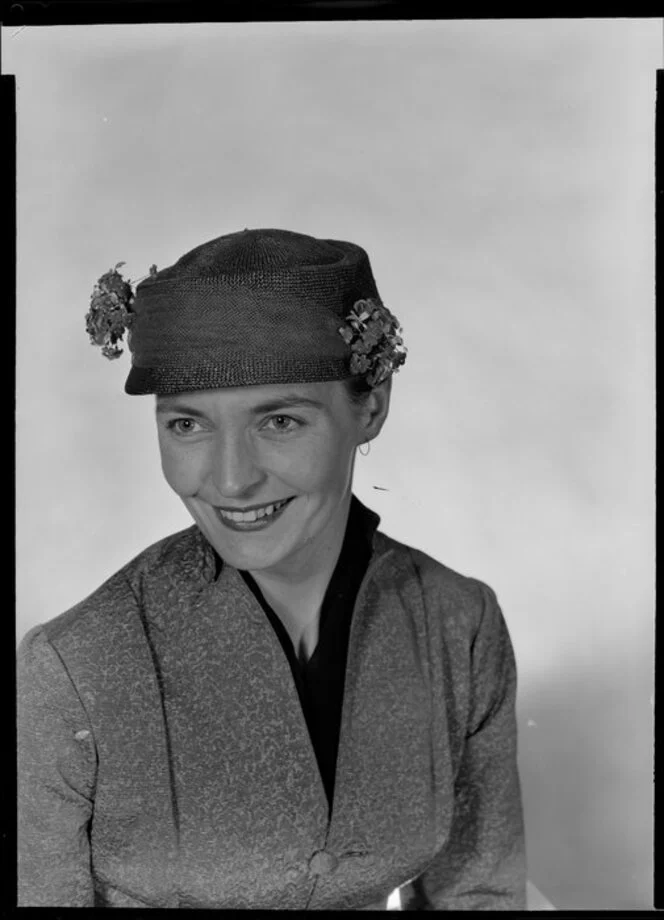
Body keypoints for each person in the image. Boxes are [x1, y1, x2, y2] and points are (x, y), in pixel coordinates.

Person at [17, 228, 526, 909]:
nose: (230, 480)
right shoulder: (73, 668)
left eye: (280, 422)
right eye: (187, 425)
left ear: (371, 405)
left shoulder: (458, 627)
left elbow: (479, 895)